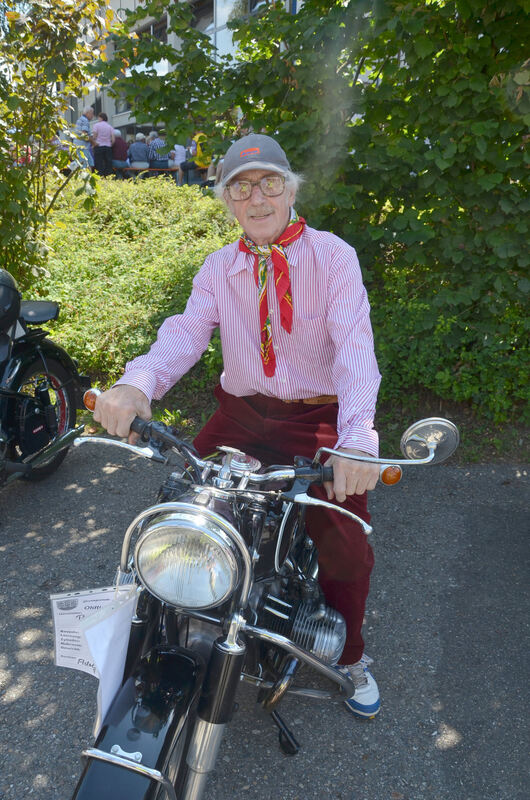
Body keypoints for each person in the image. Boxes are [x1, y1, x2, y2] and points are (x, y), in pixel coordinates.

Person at [93, 133, 382, 719]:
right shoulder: (220, 267)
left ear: (290, 190)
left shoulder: (334, 257)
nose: (257, 197)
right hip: (241, 415)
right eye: (241, 187)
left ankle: (349, 655)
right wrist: (136, 383)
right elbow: (184, 333)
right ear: (227, 200)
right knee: (177, 513)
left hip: (316, 419)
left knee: (345, 539)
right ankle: (157, 630)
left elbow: (356, 352)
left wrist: (356, 441)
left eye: (269, 182)